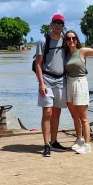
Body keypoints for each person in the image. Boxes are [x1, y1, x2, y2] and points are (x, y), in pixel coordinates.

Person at [34, 14, 70, 157]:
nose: (58, 26)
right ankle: (46, 144)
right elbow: (38, 64)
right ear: (51, 24)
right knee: (47, 113)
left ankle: (54, 141)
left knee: (57, 112)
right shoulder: (43, 41)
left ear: (63, 27)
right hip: (47, 80)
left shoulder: (65, 41)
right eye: (55, 23)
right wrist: (41, 83)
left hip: (61, 80)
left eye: (60, 24)